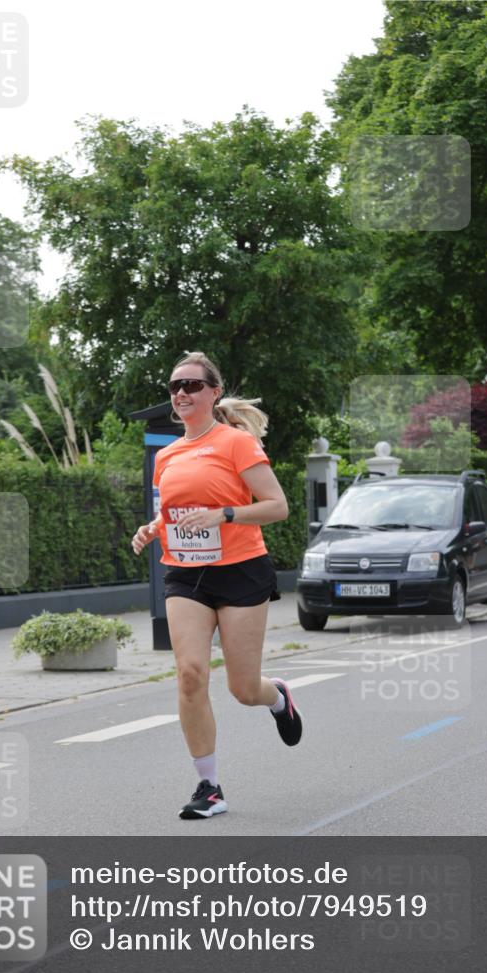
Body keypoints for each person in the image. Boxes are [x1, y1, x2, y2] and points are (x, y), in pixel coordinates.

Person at [132, 351, 302, 820]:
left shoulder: (236, 444)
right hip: (185, 572)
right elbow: (172, 512)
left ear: (213, 393)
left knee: (243, 689)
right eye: (174, 386)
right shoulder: (167, 455)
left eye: (191, 385)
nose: (181, 393)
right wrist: (153, 528)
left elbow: (277, 505)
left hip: (241, 569)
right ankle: (208, 786)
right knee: (190, 674)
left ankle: (277, 696)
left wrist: (225, 514)